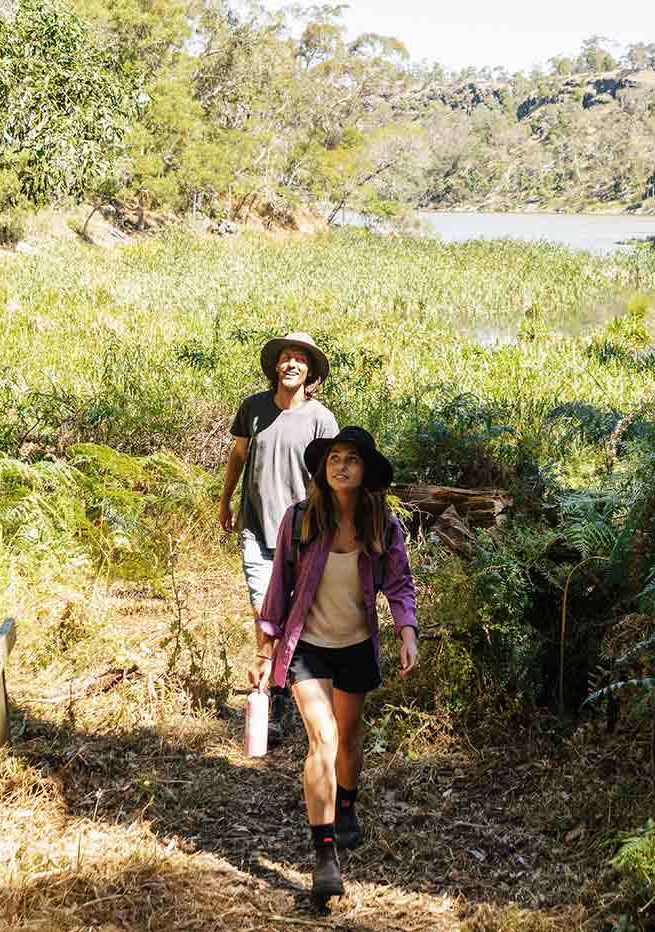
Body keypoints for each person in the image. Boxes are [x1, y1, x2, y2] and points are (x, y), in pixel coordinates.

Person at [247, 426, 419, 904]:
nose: (341, 465)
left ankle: (346, 804)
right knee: (321, 739)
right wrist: (264, 652)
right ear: (324, 469)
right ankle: (324, 858)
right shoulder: (301, 520)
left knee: (348, 737)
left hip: (357, 645)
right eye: (334, 458)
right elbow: (277, 589)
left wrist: (408, 634)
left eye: (352, 459)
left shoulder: (381, 526)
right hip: (308, 646)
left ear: (365, 474)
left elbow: (399, 584)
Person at [222, 332, 338, 739]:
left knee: (294, 616)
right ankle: (270, 691)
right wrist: (225, 502)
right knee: (263, 612)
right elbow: (238, 456)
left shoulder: (321, 419)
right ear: (276, 366)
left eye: (299, 361)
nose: (291, 365)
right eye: (285, 358)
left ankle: (290, 692)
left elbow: (331, 477)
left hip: (302, 534)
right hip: (255, 527)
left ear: (309, 372)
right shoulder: (253, 408)